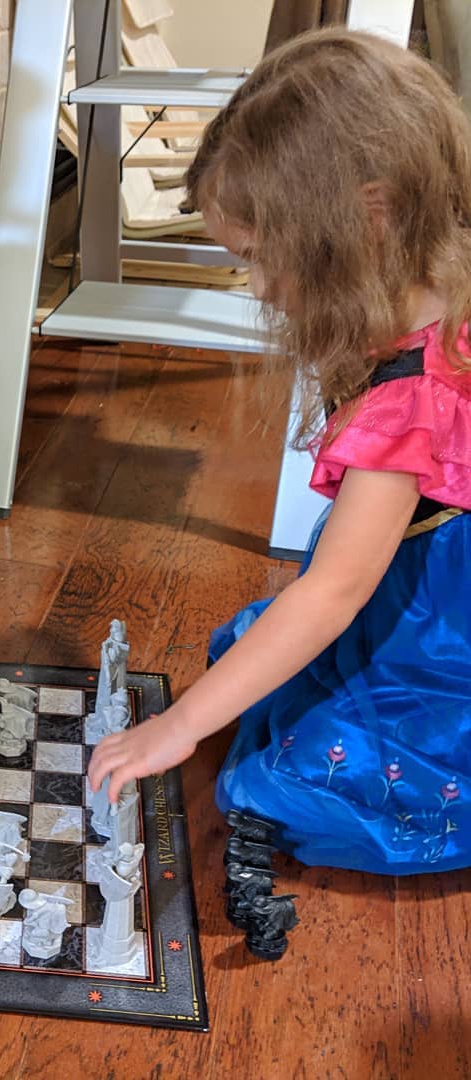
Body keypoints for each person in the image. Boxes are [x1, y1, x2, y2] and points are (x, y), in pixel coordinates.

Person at [87, 30, 471, 875]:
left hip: (446, 627)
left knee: (291, 782)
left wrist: (174, 727)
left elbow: (334, 590)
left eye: (262, 259)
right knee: (259, 670)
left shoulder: (412, 398)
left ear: (369, 216)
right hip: (421, 585)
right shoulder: (438, 295)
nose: (258, 289)